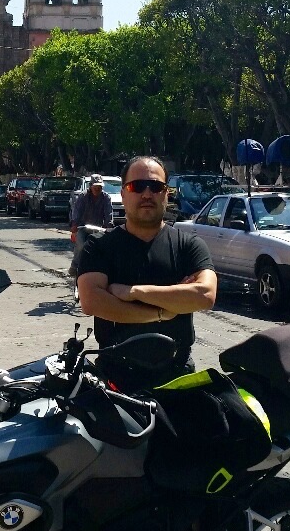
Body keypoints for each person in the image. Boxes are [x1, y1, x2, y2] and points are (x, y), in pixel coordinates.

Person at [77, 155, 217, 376]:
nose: (147, 194)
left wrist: (132, 292)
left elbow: (204, 295)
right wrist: (163, 311)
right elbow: (92, 301)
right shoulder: (100, 246)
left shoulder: (188, 245)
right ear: (123, 193)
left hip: (177, 374)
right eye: (137, 186)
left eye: (155, 186)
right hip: (115, 377)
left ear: (166, 194)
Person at [69, 175, 113, 278]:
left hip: (99, 228)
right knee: (80, 244)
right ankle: (75, 265)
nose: (98, 189)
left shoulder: (106, 197)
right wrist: (74, 224)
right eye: (95, 187)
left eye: (100, 187)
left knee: (105, 247)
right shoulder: (83, 197)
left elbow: (108, 214)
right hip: (83, 227)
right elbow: (77, 212)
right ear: (90, 186)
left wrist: (109, 226)